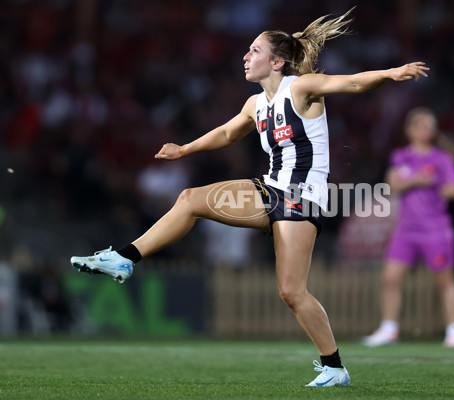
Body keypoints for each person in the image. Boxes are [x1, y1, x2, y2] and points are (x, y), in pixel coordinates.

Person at [70, 9, 429, 387]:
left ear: (276, 61)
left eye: (254, 51)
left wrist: (389, 74)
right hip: (270, 188)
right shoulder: (256, 104)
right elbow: (227, 134)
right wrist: (185, 149)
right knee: (190, 198)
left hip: (302, 198)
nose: (245, 56)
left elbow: (353, 84)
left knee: (292, 292)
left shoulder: (301, 87)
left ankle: (335, 367)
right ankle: (124, 258)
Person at [362, 107, 454, 348]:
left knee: (444, 281)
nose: (426, 130)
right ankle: (389, 328)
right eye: (421, 125)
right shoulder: (401, 156)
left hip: (435, 229)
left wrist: (437, 185)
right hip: (406, 229)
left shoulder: (441, 158)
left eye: (430, 126)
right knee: (390, 278)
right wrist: (416, 180)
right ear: (410, 130)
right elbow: (392, 183)